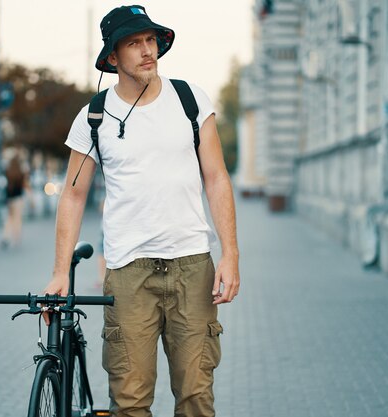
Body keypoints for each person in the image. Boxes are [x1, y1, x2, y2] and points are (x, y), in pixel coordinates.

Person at [43, 5, 240, 416]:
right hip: (129, 274)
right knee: (130, 403)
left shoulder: (190, 100)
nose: (148, 50)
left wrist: (231, 255)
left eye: (151, 40)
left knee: (196, 398)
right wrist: (61, 271)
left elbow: (217, 179)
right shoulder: (93, 117)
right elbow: (73, 196)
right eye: (134, 43)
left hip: (192, 266)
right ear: (112, 58)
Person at [1, 155, 29, 248]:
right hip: (18, 199)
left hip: (9, 199)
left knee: (9, 218)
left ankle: (6, 237)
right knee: (18, 219)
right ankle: (16, 238)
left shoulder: (7, 172)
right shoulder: (21, 173)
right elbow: (25, 184)